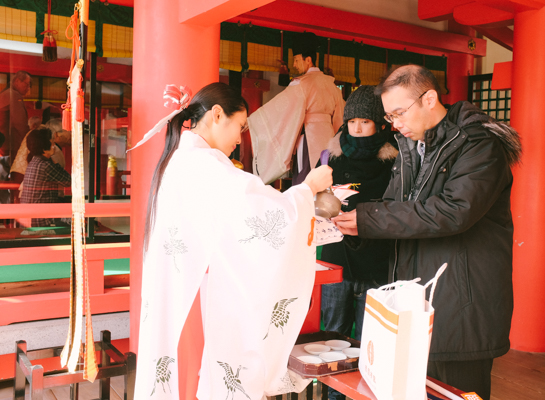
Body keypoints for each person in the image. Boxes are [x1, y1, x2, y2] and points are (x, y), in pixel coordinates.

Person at [333, 65, 522, 400]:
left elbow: (453, 212)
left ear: (430, 98)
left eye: (399, 113)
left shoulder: (478, 144)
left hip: (459, 308)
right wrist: (354, 225)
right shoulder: (410, 149)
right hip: (413, 307)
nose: (395, 124)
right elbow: (395, 210)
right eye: (389, 116)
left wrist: (370, 218)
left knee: (454, 393)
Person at [134, 82, 333, 400]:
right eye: (239, 127)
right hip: (212, 285)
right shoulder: (204, 165)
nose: (239, 138)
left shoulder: (182, 159)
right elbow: (264, 210)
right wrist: (308, 188)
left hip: (201, 280)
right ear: (216, 115)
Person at [319, 85, 398, 400]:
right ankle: (331, 394)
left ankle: (362, 394)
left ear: (380, 124)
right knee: (331, 335)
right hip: (336, 255)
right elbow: (314, 195)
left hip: (375, 258)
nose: (358, 129)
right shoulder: (331, 155)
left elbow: (398, 205)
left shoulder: (395, 158)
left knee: (370, 340)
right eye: (352, 122)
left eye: (365, 122)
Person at [247, 31, 344, 185]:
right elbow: (340, 119)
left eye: (296, 60)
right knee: (327, 180)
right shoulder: (332, 86)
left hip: (308, 141)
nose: (294, 65)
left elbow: (280, 110)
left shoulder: (301, 84)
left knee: (305, 181)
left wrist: (253, 120)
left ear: (309, 60)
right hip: (329, 141)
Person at [20, 128, 71, 227]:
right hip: (42, 221)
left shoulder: (33, 162)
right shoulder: (46, 166)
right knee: (79, 220)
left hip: (30, 219)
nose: (54, 146)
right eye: (52, 144)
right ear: (43, 149)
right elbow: (68, 181)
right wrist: (54, 161)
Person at [0, 71, 31, 163]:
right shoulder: (14, 95)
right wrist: (28, 144)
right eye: (26, 84)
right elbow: (20, 124)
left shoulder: (5, 93)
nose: (28, 88)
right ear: (17, 81)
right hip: (12, 146)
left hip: (3, 146)